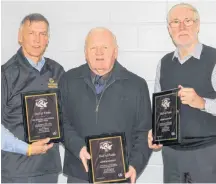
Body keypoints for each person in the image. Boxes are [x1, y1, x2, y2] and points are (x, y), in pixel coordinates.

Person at [60, 27, 152, 183]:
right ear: (85, 53)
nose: (99, 52)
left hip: (120, 175)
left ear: (115, 52)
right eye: (93, 48)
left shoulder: (137, 85)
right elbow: (61, 121)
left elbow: (144, 132)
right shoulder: (68, 80)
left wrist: (135, 165)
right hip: (80, 174)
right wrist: (78, 148)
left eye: (105, 47)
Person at [148, 3, 216, 183]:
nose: (182, 26)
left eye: (188, 21)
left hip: (207, 154)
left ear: (198, 25)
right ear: (169, 29)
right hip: (172, 156)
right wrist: (155, 132)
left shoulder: (214, 59)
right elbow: (158, 111)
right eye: (176, 22)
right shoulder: (163, 64)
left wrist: (202, 103)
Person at [1, 13, 65, 183]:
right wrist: (27, 149)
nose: (37, 39)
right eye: (31, 33)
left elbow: (68, 117)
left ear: (47, 39)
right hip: (17, 171)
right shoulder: (5, 74)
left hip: (48, 170)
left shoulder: (58, 71)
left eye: (42, 34)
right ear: (20, 37)